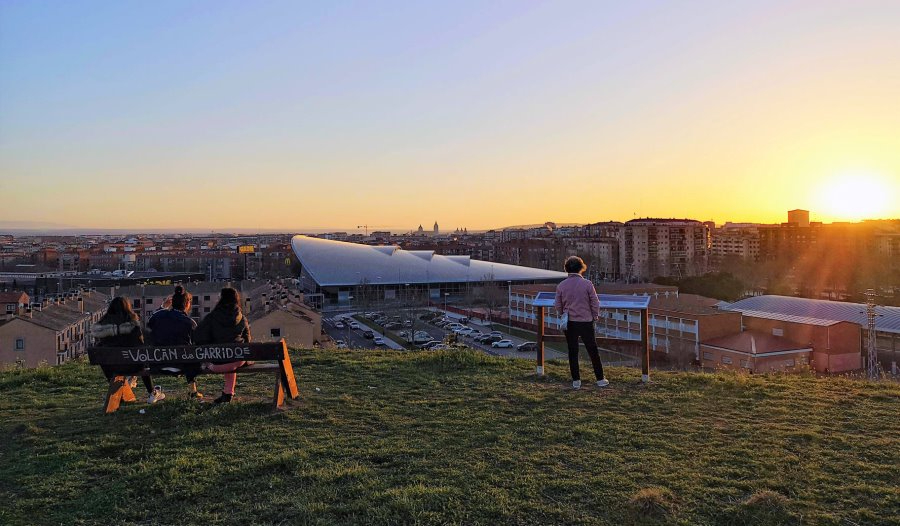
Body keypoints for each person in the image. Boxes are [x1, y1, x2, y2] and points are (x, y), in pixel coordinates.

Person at [91, 296, 165, 403]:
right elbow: (140, 345)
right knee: (142, 358)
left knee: (134, 358)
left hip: (111, 369)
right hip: (133, 366)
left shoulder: (102, 326)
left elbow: (99, 345)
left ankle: (120, 391)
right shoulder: (133, 325)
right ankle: (151, 392)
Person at [554, 256, 608, 390]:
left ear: (566, 269)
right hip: (585, 321)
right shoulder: (588, 284)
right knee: (592, 350)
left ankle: (576, 381)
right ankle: (600, 379)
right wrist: (595, 315)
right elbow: (595, 302)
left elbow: (558, 305)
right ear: (581, 268)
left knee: (572, 351)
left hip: (570, 322)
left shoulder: (561, 286)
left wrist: (562, 314)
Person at [194, 287, 251, 404]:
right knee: (233, 357)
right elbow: (247, 340)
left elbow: (199, 338)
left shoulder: (211, 317)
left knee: (225, 358)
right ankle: (228, 393)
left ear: (221, 299)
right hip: (237, 361)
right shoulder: (241, 318)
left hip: (216, 364)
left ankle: (227, 393)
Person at [147, 285, 202, 399]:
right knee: (191, 352)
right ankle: (193, 390)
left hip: (158, 363)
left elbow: (150, 323)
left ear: (171, 303)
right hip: (182, 365)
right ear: (187, 304)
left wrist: (163, 306)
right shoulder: (190, 323)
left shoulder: (159, 316)